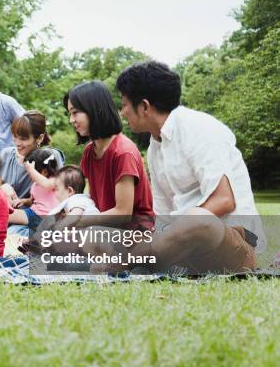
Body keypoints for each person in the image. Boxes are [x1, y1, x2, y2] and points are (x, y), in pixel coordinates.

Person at [111, 60, 265, 273]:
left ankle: (129, 265)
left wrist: (166, 236)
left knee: (197, 220)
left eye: (124, 104)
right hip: (186, 249)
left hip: (233, 244)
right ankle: (133, 263)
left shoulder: (199, 128)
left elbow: (224, 200)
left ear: (144, 106)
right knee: (112, 235)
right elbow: (163, 215)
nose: (122, 112)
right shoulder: (156, 146)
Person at [64, 80, 154, 230]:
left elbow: (123, 213)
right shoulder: (90, 152)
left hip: (134, 231)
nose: (71, 120)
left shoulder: (123, 152)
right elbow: (91, 199)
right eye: (70, 114)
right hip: (104, 227)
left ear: (96, 109)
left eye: (75, 113)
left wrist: (78, 222)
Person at [0, 110, 64, 203]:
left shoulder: (49, 156)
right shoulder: (6, 154)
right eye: (15, 136)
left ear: (40, 138)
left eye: (23, 139)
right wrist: (2, 187)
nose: (17, 143)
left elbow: (61, 191)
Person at [8, 148, 59, 233]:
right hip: (34, 214)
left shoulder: (55, 180)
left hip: (45, 217)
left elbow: (47, 185)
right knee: (7, 216)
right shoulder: (35, 185)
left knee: (8, 216)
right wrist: (23, 201)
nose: (29, 175)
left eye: (29, 172)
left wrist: (31, 170)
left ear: (44, 172)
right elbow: (32, 201)